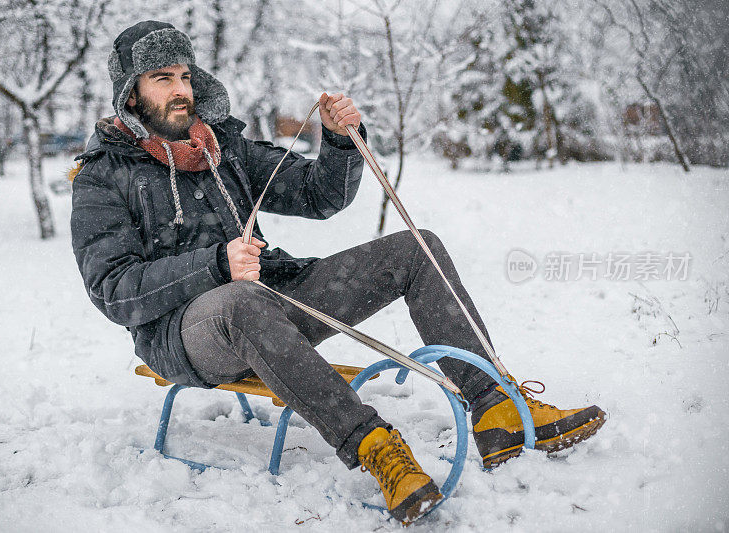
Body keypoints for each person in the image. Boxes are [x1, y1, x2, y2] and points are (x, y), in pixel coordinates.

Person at [70, 20, 606, 525]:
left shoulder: (219, 148)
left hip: (274, 302)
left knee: (416, 249)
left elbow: (318, 194)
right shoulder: (104, 176)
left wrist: (339, 139)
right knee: (239, 300)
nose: (179, 89)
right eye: (162, 78)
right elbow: (113, 290)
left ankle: (496, 410)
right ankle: (376, 448)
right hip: (184, 336)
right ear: (131, 92)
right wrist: (212, 265)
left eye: (184, 75)